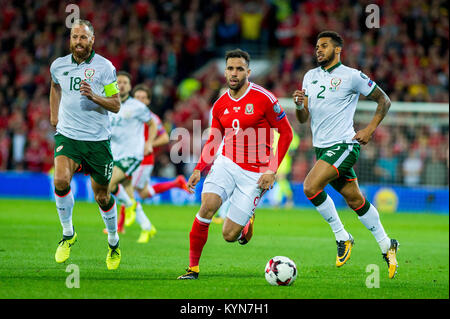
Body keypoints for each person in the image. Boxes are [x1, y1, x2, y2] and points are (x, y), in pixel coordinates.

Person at [178, 49, 293, 280]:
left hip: (256, 174)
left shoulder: (265, 99)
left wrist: (272, 170)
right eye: (230, 68)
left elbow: (287, 133)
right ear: (225, 71)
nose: (234, 73)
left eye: (239, 69)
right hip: (227, 163)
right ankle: (193, 269)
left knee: (229, 235)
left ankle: (247, 222)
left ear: (248, 72)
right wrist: (199, 169)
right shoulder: (220, 104)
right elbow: (214, 140)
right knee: (207, 205)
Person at [293, 31, 399, 279]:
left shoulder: (351, 76)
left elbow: (384, 101)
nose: (318, 50)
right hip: (322, 148)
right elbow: (302, 118)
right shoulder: (310, 76)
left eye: (324, 46)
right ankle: (387, 245)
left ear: (337, 49)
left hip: (344, 145)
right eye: (317, 46)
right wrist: (299, 104)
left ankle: (343, 237)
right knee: (355, 200)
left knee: (310, 187)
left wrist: (370, 129)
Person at [50, 19, 122, 270]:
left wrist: (94, 96)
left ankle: (113, 242)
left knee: (102, 196)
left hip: (97, 141)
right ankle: (68, 234)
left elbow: (116, 104)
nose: (78, 42)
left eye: (83, 38)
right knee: (60, 181)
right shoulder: (58, 65)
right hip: (67, 136)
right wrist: (54, 115)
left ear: (92, 40)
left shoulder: (105, 67)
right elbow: (55, 86)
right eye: (74, 37)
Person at [123, 84, 189, 243]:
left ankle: (130, 227)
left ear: (148, 101)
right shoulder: (127, 113)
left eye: (143, 98)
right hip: (129, 157)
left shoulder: (151, 118)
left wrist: (148, 144)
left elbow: (165, 138)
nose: (139, 100)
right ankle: (176, 183)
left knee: (126, 189)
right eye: (136, 97)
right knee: (143, 193)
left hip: (143, 160)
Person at [107, 72, 157, 244]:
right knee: (128, 193)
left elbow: (153, 123)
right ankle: (147, 227)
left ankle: (129, 208)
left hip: (132, 155)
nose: (121, 85)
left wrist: (149, 143)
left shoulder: (137, 106)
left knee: (109, 183)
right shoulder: (108, 104)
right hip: (114, 154)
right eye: (118, 82)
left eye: (125, 82)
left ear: (129, 86)